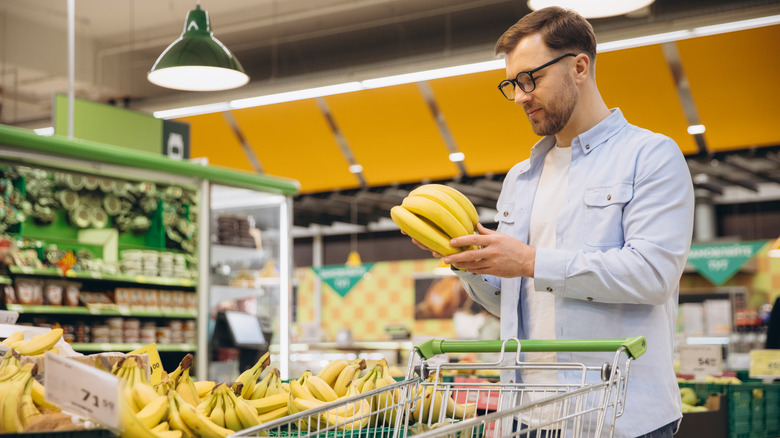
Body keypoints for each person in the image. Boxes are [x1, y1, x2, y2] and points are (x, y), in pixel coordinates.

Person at [404, 7, 694, 438]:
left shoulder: (650, 156)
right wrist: (470, 265)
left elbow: (653, 275)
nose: (520, 96)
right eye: (512, 85)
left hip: (619, 418)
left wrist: (531, 261)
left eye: (530, 79)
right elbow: (513, 303)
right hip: (528, 418)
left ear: (579, 66)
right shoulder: (520, 178)